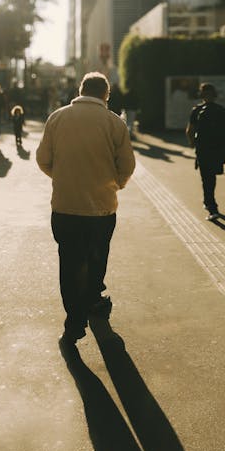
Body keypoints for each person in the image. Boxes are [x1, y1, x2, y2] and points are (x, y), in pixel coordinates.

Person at [36, 71, 136, 345]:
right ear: (106, 94)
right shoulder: (114, 123)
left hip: (65, 207)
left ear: (81, 90)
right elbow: (127, 165)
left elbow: (43, 159)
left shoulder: (57, 117)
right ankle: (94, 298)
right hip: (102, 208)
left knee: (69, 263)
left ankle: (74, 323)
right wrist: (115, 184)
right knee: (97, 256)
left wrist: (62, 178)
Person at [186, 82, 225, 221]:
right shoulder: (221, 110)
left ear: (201, 95)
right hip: (218, 149)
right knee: (212, 177)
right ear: (214, 95)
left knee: (206, 177)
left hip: (203, 149)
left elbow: (189, 131)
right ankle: (210, 203)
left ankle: (211, 205)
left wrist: (193, 144)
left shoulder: (196, 110)